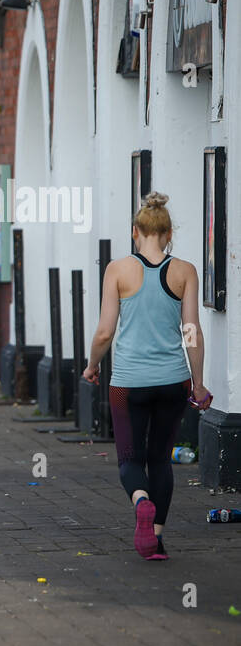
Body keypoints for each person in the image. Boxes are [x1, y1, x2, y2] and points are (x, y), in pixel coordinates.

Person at [83, 192, 211, 561]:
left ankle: (140, 501)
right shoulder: (185, 271)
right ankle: (155, 541)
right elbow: (191, 330)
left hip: (128, 383)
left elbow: (105, 331)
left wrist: (92, 366)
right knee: (160, 459)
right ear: (169, 233)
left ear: (135, 231)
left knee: (129, 459)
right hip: (173, 381)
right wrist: (198, 382)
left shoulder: (117, 270)